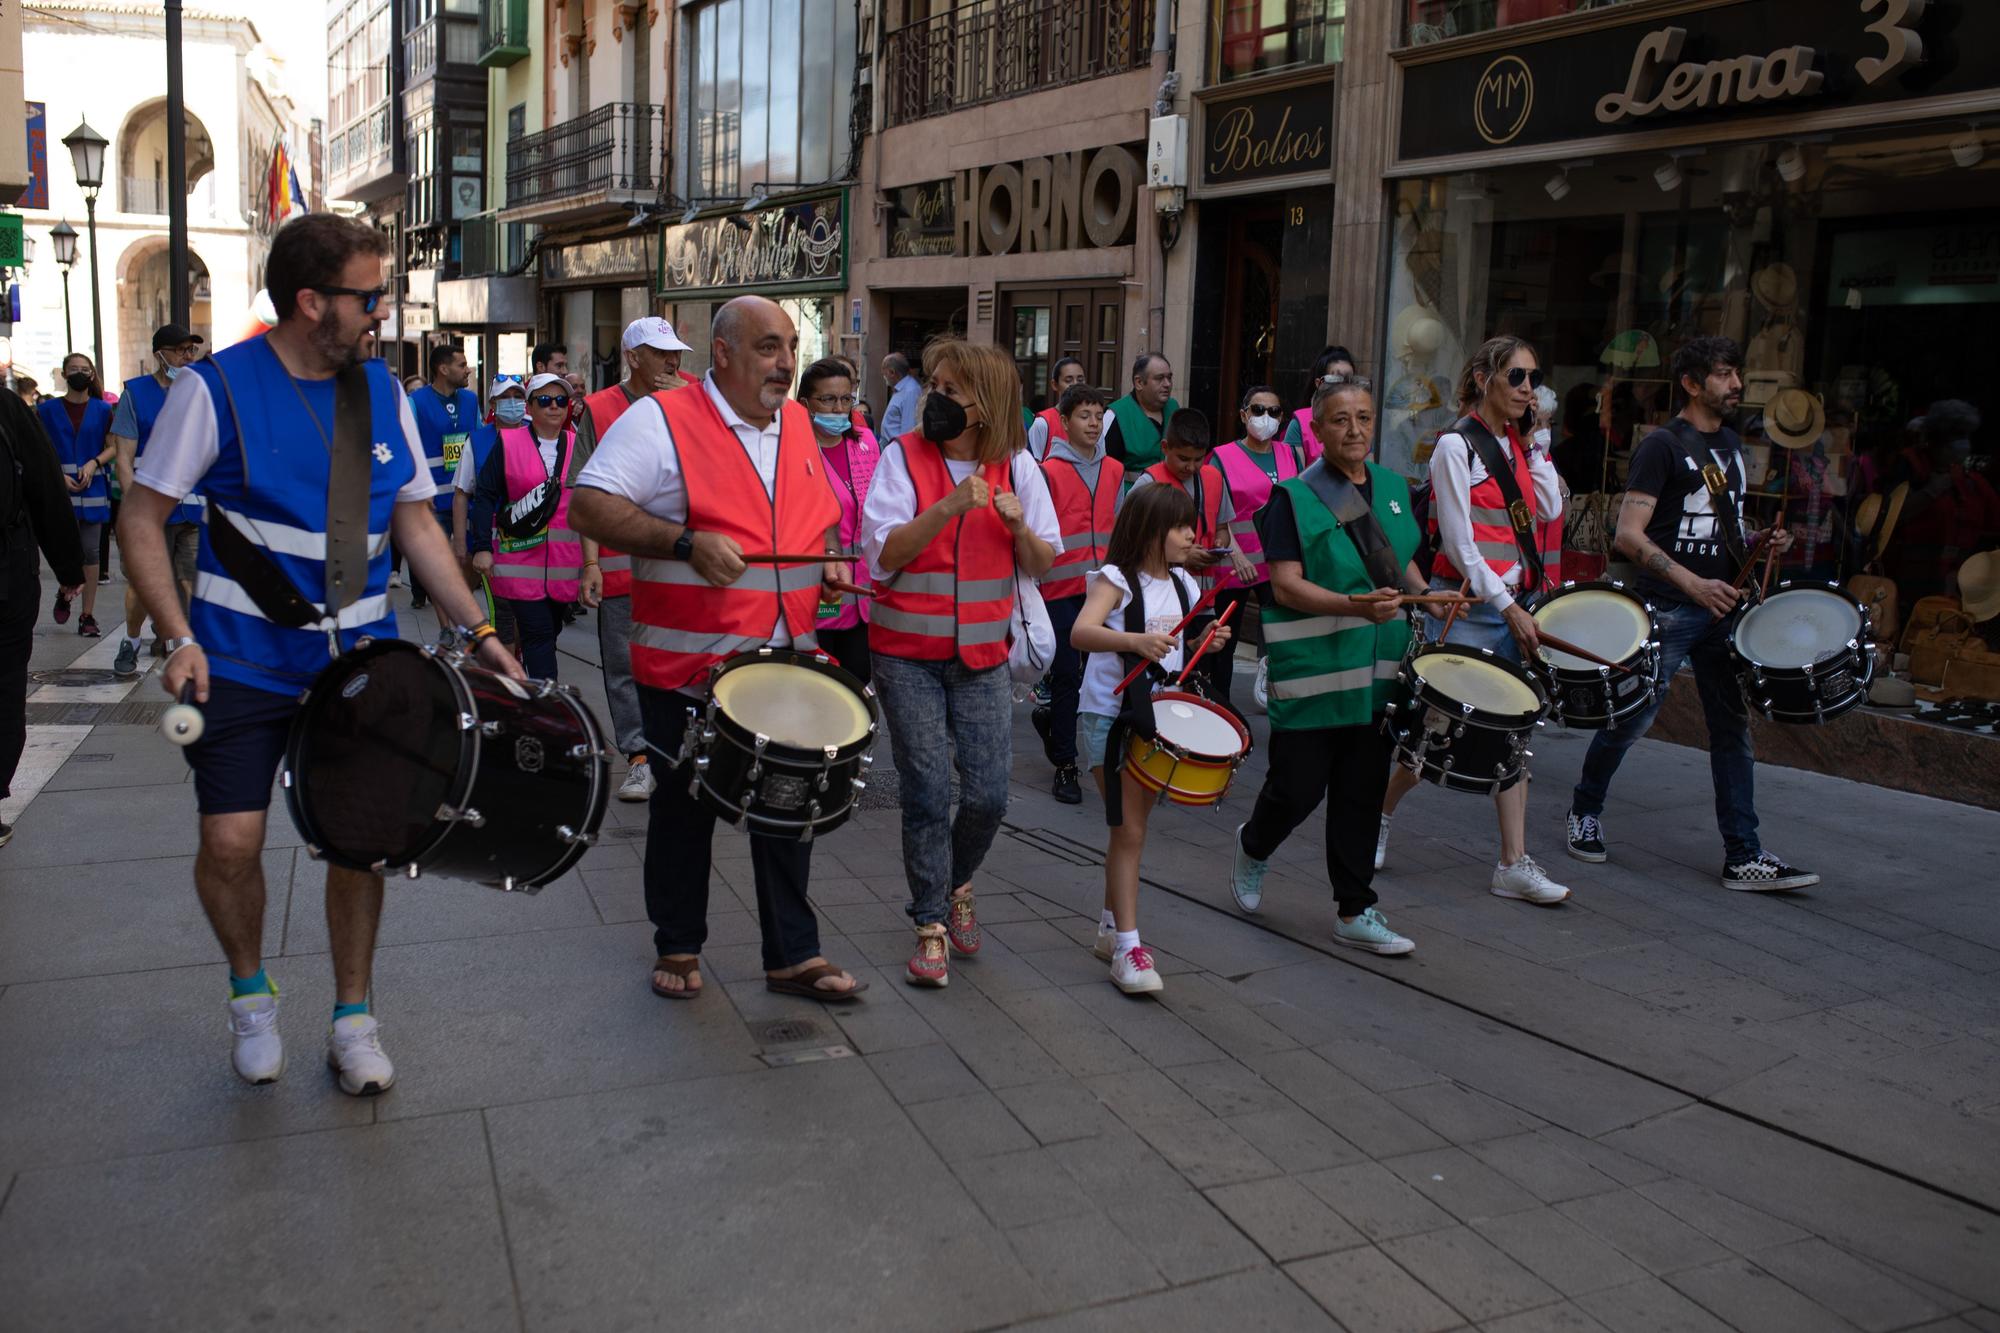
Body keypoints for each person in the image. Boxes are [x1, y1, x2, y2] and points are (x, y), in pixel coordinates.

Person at [118, 212, 525, 1092]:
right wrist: (179, 636)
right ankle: (251, 993)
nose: (379, 312)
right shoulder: (213, 389)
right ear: (311, 302)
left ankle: (353, 1014)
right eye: (367, 296)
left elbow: (416, 520)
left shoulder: (380, 393)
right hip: (238, 659)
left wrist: (480, 628)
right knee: (231, 842)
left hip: (362, 664)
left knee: (360, 842)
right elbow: (141, 517)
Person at [569, 294, 868, 1003]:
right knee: (683, 806)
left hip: (785, 657)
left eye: (791, 346)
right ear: (724, 352)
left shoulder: (796, 424)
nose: (786, 364)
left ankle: (793, 954)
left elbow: (816, 515)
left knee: (790, 805)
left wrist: (827, 558)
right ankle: (678, 942)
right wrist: (683, 542)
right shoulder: (662, 418)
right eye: (769, 347)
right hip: (688, 666)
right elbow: (590, 505)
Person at [1567, 336, 1817, 892]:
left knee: (1733, 730)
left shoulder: (1730, 443)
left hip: (1721, 607)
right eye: (1725, 374)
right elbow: (1629, 536)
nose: (1736, 385)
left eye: (1736, 374)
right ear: (1692, 382)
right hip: (1670, 607)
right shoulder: (1660, 447)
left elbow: (1716, 526)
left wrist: (1758, 540)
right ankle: (1584, 810)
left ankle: (1743, 854)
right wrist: (1693, 585)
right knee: (1632, 719)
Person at [862, 337, 1060, 989]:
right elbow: (884, 554)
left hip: (981, 655)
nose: (933, 400)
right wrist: (949, 505)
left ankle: (954, 883)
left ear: (987, 405)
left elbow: (1041, 563)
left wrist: (1018, 528)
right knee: (924, 787)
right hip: (905, 654)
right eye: (932, 386)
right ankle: (930, 924)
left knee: (989, 794)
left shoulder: (1019, 469)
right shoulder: (901, 458)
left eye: (951, 391)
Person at [1231, 378, 1423, 955]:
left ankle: (1355, 908)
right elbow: (1285, 588)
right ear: (1316, 431)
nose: (1355, 430)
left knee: (1362, 792)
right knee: (1296, 790)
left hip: (1376, 677)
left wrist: (1430, 596)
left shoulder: (1393, 489)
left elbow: (1399, 567)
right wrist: (1352, 607)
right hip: (1313, 673)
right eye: (1341, 420)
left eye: (1364, 417)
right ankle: (1254, 847)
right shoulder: (1294, 497)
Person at [1378, 336, 1570, 905]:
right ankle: (1379, 819)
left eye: (1533, 378)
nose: (1527, 389)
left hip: (1511, 606)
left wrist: (1536, 444)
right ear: (1485, 377)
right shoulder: (1454, 448)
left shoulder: (1518, 444)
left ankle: (1512, 862)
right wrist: (1506, 607)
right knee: (1431, 735)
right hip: (1468, 609)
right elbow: (1461, 546)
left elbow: (1552, 508)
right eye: (1516, 377)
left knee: (1515, 737)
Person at [1071, 483, 1227, 994]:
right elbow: (1082, 632)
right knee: (1130, 831)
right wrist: (1134, 641)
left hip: (1156, 722)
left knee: (1129, 831)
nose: (1191, 534)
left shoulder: (1184, 583)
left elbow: (1177, 650)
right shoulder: (1116, 579)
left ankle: (1110, 928)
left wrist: (1203, 640)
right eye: (1181, 526)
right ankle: (1128, 950)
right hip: (1110, 719)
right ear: (1151, 530)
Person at [582, 317, 699, 803]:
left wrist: (685, 405)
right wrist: (589, 564)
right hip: (620, 566)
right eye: (659, 352)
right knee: (623, 664)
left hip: (687, 564)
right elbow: (584, 490)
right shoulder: (599, 407)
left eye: (675, 352)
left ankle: (691, 753)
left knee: (691, 662)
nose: (672, 361)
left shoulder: (698, 396)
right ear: (633, 357)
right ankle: (638, 758)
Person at [467, 372, 603, 679]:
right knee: (539, 636)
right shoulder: (508, 442)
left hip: (564, 568)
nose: (554, 407)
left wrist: (593, 563)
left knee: (547, 636)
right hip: (518, 564)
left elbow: (593, 502)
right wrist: (481, 548)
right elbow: (485, 495)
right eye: (544, 401)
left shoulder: (578, 444)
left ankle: (526, 690)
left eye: (560, 401)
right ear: (530, 407)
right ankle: (548, 706)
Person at [0, 389, 87, 848]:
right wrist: (69, 568)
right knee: (5, 684)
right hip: (7, 578)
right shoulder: (8, 407)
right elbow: (45, 486)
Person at [1032, 382, 1120, 804]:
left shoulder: (1116, 470)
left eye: (1099, 416)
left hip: (1102, 591)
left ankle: (1054, 725)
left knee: (1093, 678)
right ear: (1063, 423)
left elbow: (1120, 528)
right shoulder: (1046, 472)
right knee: (1068, 674)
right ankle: (1066, 765)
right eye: (1085, 416)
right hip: (1058, 589)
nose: (1093, 423)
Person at [1130, 411, 1256, 701]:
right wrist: (1183, 558)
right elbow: (1131, 540)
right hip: (1161, 600)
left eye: (1198, 459)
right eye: (1183, 458)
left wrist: (1220, 545)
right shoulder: (1148, 483)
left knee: (1202, 675)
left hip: (1204, 598)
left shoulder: (1213, 477)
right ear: (1165, 448)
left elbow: (1222, 527)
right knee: (1166, 673)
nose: (1191, 466)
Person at [109, 324, 207, 677]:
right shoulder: (135, 395)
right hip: (151, 509)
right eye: (181, 350)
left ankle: (186, 644)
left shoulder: (198, 392)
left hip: (192, 508)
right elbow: (123, 458)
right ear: (160, 354)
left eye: (191, 351)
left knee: (194, 581)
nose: (188, 357)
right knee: (142, 583)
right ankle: (131, 640)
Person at [1213, 385, 1302, 708]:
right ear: (1243, 414)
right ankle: (1219, 705)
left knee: (1282, 629)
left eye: (1274, 412)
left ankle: (1277, 691)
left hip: (1278, 560)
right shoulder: (1222, 456)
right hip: (1235, 562)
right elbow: (1216, 511)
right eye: (1258, 410)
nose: (1266, 418)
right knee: (1225, 638)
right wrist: (1234, 553)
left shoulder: (1290, 454)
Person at [800, 357, 879, 683]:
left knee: (858, 677)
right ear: (806, 403)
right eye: (828, 399)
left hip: (864, 592)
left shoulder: (865, 442)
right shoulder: (795, 449)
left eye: (846, 399)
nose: (838, 408)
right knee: (820, 681)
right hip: (821, 593)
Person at [39, 354, 112, 634]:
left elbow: (114, 446)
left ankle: (87, 616)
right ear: (64, 374)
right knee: (68, 551)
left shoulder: (104, 410)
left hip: (93, 489)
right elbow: (39, 450)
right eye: (74, 369)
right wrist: (58, 475)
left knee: (91, 552)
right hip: (60, 492)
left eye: (85, 369)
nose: (80, 374)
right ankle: (65, 589)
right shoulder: (46, 411)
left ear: (92, 375)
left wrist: (95, 463)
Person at [405, 342, 479, 614]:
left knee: (471, 562)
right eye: (462, 365)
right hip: (433, 502)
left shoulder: (471, 400)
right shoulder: (416, 402)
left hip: (467, 498)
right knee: (438, 566)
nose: (468, 370)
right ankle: (447, 626)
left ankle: (460, 608)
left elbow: (479, 443)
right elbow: (407, 451)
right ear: (442, 368)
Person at [1104, 353, 1179, 475]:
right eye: (1159, 378)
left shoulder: (1174, 408)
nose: (1167, 384)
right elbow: (1104, 468)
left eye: (1169, 378)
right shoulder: (1116, 415)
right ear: (1139, 382)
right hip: (1132, 492)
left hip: (1170, 492)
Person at [1283, 345, 1357, 463]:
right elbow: (1291, 478)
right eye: (1336, 379)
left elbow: (1368, 475)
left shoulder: (1361, 423)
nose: (1344, 386)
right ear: (1319, 384)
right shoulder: (1300, 425)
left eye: (1349, 380)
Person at [1026, 357, 1089, 460]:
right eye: (1068, 380)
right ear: (1054, 385)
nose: (1075, 385)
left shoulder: (1094, 422)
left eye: (1080, 380)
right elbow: (1034, 468)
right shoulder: (1042, 423)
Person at [879, 350, 921, 442]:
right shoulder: (900, 388)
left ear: (892, 372)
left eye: (884, 373)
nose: (884, 376)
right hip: (890, 446)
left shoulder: (911, 391)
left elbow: (909, 429)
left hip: (898, 449)